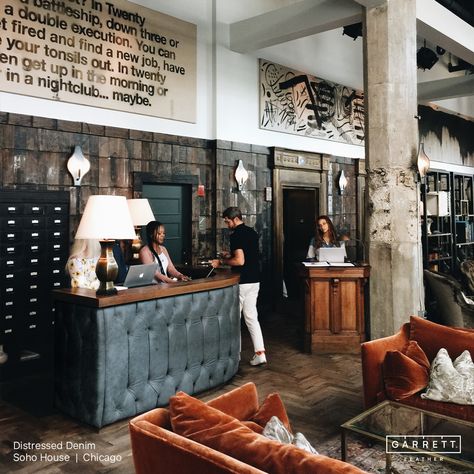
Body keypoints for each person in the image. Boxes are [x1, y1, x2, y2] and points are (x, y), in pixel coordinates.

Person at [211, 207, 266, 366]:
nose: (227, 224)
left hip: (242, 282)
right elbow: (247, 256)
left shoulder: (236, 235)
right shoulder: (252, 232)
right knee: (252, 317)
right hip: (255, 280)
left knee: (235, 318)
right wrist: (230, 255)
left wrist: (220, 262)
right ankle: (260, 353)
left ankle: (235, 356)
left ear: (234, 219)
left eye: (227, 221)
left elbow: (240, 261)